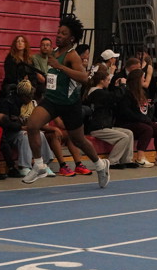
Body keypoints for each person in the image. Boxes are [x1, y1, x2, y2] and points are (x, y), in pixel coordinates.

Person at [21, 14, 111, 187]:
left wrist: (60, 67)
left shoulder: (72, 56)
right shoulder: (54, 52)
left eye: (63, 33)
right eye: (58, 32)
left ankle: (100, 165)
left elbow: (84, 78)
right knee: (32, 125)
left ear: (71, 38)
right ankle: (39, 165)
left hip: (70, 104)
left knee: (78, 140)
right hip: (52, 100)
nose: (58, 35)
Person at [84, 69, 140, 169]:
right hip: (98, 127)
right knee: (123, 137)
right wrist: (122, 85)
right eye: (108, 80)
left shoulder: (100, 92)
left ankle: (126, 160)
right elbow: (114, 97)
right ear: (102, 81)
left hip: (105, 125)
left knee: (129, 133)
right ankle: (112, 161)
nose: (109, 82)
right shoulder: (96, 93)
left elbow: (111, 97)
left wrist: (116, 87)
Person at [116, 68, 157, 166]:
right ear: (137, 80)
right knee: (147, 129)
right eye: (143, 78)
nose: (144, 80)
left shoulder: (143, 92)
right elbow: (126, 112)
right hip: (127, 122)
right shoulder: (127, 93)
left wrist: (148, 119)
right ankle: (140, 158)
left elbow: (146, 110)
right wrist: (143, 120)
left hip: (141, 121)